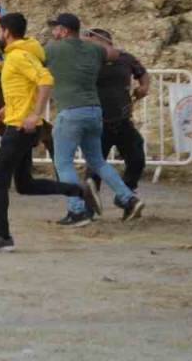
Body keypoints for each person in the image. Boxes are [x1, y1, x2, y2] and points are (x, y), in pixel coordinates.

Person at [0, 13, 98, 251]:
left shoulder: (18, 56)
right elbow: (25, 91)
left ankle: (2, 236)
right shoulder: (22, 54)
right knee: (24, 184)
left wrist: (35, 115)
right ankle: (78, 190)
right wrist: (3, 111)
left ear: (6, 32)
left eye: (0, 31)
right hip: (19, 123)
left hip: (21, 127)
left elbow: (45, 80)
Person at [45, 13, 145, 225]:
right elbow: (115, 53)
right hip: (94, 112)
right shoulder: (94, 49)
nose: (53, 33)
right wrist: (89, 41)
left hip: (71, 111)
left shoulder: (53, 48)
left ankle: (77, 210)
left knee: (63, 163)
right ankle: (128, 199)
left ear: (63, 30)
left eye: (55, 29)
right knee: (98, 161)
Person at [85, 28, 150, 201]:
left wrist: (143, 87)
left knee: (137, 158)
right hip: (97, 120)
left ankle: (127, 193)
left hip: (122, 119)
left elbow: (142, 74)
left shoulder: (125, 58)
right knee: (95, 166)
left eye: (89, 39)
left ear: (102, 40)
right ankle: (89, 204)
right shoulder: (86, 60)